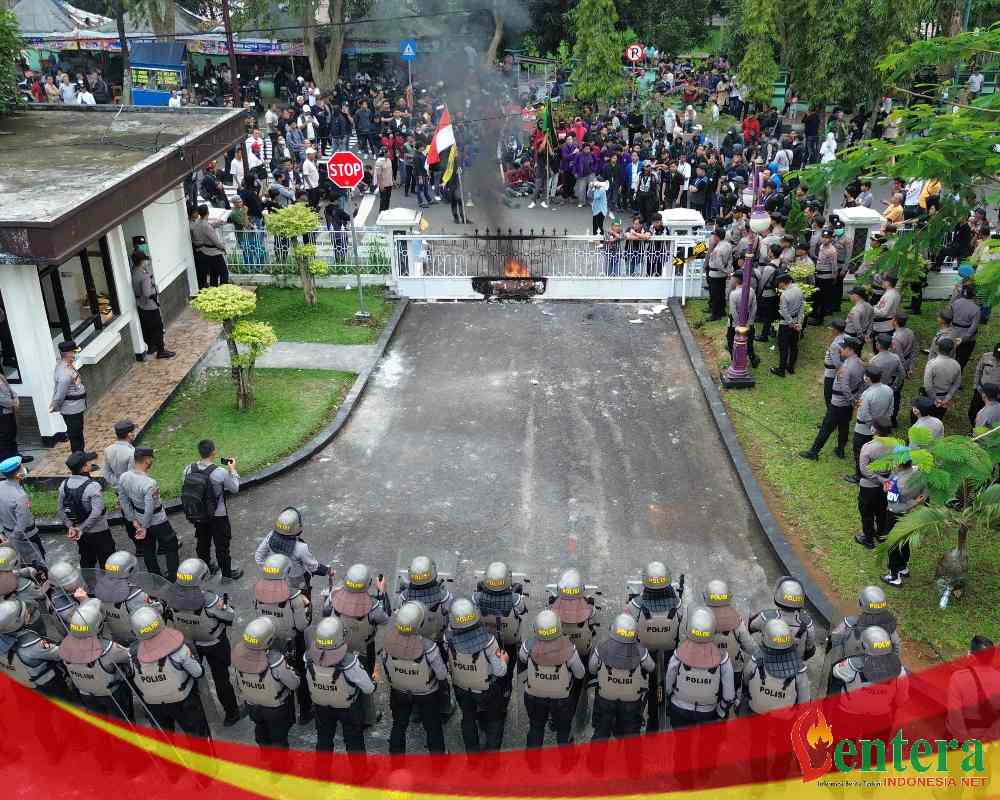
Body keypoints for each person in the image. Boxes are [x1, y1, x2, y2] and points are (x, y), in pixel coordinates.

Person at [169, 558, 242, 727]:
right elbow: (229, 615)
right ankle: (231, 714)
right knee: (221, 679)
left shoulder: (172, 596)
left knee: (193, 679)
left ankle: (200, 715)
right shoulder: (210, 600)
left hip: (190, 643)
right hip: (214, 643)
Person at [128, 606, 211, 738]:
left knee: (165, 740)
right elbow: (198, 673)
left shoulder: (130, 654)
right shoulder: (179, 650)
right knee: (197, 738)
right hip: (184, 701)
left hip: (153, 704)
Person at [252, 553, 313, 723]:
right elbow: (302, 625)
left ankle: (287, 711)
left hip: (270, 637)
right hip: (292, 639)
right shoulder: (294, 596)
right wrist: (307, 606)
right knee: (299, 671)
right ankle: (305, 711)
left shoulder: (258, 590)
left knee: (279, 672)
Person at [381, 601, 448, 754]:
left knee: (399, 724)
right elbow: (442, 674)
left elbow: (385, 664)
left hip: (399, 691)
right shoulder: (429, 646)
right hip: (427, 693)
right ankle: (438, 761)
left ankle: (396, 760)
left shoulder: (388, 642)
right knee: (432, 726)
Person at [304, 616, 376, 754]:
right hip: (348, 708)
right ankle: (359, 768)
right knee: (354, 742)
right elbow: (368, 688)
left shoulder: (307, 658)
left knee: (324, 740)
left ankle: (323, 767)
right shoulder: (350, 662)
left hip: (321, 705)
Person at [444, 598, 508, 752]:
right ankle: (492, 756)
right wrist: (504, 659)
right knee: (494, 721)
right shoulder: (489, 641)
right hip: (487, 690)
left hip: (462, 688)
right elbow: (500, 672)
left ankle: (472, 754)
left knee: (468, 718)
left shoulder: (448, 639)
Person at [828, 626, 907, 747]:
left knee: (843, 750)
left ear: (864, 646)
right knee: (874, 753)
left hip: (848, 715)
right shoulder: (900, 672)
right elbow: (901, 700)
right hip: (880, 717)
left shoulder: (851, 666)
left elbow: (835, 673)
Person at [519, 609, 586, 748]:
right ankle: (566, 759)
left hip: (533, 696)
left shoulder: (527, 646)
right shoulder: (570, 648)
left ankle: (533, 760)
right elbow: (580, 673)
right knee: (564, 730)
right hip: (562, 700)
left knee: (536, 727)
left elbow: (522, 659)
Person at [57, 599, 133, 720]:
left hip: (85, 694)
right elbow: (130, 657)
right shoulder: (110, 649)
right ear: (99, 626)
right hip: (111, 695)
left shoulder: (64, 647)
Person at [231, 616, 300, 750]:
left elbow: (238, 684)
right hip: (275, 707)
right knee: (279, 739)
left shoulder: (238, 656)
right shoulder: (275, 660)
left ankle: (265, 756)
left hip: (252, 705)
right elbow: (294, 684)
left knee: (261, 729)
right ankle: (279, 763)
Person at [181, 440, 242, 580]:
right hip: (218, 515)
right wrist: (232, 470)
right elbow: (235, 488)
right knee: (222, 545)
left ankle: (206, 568)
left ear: (200, 452)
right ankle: (226, 574)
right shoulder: (220, 472)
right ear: (213, 452)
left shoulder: (188, 469)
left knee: (202, 542)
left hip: (198, 513)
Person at [118, 447, 180, 582]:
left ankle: (156, 578)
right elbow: (150, 508)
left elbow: (123, 500)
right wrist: (144, 528)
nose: (152, 460)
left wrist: (133, 520)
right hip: (157, 521)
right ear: (147, 460)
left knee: (148, 549)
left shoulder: (124, 477)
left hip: (138, 518)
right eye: (151, 458)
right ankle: (173, 578)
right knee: (171, 545)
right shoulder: (149, 483)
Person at [589, 613, 654, 740]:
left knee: (600, 733)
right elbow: (651, 667)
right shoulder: (641, 651)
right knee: (632, 737)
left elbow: (592, 669)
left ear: (613, 629)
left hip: (605, 698)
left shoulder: (601, 647)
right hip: (631, 701)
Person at [801, 337, 864, 461]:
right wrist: (855, 399)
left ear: (850, 349)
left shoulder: (847, 367)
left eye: (843, 348)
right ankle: (840, 450)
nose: (841, 350)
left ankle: (814, 452)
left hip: (838, 403)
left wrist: (852, 400)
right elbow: (861, 383)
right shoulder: (859, 363)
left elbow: (844, 387)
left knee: (826, 427)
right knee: (844, 426)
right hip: (848, 403)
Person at [57, 451, 114, 571]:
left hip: (79, 532)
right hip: (99, 530)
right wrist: (81, 528)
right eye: (88, 462)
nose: (90, 463)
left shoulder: (64, 485)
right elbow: (97, 512)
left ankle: (89, 580)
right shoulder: (93, 486)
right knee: (108, 559)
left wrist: (71, 527)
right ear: (84, 468)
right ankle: (111, 581)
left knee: (86, 558)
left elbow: (60, 509)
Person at [93, 550, 164, 644]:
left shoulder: (101, 590)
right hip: (138, 637)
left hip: (117, 635)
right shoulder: (138, 596)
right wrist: (159, 603)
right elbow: (157, 612)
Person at [0, 599, 66, 695]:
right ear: (16, 623)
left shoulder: (3, 636)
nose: (28, 611)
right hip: (46, 683)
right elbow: (59, 653)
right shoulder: (31, 643)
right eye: (25, 613)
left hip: (20, 681)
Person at [881, 452, 928, 586]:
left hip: (896, 514)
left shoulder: (899, 483)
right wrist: (917, 502)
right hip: (910, 514)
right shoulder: (919, 472)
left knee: (893, 543)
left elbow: (894, 505)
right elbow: (925, 493)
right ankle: (903, 567)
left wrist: (912, 503)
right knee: (905, 541)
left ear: (899, 463)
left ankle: (894, 576)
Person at [254, 507, 331, 588]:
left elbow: (259, 556)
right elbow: (313, 567)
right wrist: (327, 570)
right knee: (303, 594)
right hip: (298, 579)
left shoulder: (270, 536)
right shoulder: (301, 547)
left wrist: (273, 570)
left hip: (278, 578)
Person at [749, 576, 817, 662]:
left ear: (779, 596)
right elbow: (810, 650)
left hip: (768, 662)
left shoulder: (765, 617)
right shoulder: (807, 623)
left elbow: (750, 628)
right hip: (795, 664)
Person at [947, 635, 1000, 743]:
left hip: (961, 739)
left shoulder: (958, 677)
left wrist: (965, 740)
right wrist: (988, 738)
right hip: (989, 741)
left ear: (971, 655)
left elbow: (954, 714)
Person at [848, 368, 894, 484]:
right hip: (881, 427)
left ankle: (859, 475)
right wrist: (882, 423)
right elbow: (890, 410)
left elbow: (863, 414)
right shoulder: (888, 390)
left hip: (864, 429)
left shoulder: (867, 394)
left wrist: (873, 426)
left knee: (859, 452)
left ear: (867, 378)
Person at [853, 418, 893, 549]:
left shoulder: (868, 447)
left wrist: (879, 479)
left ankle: (868, 538)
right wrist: (887, 479)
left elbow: (864, 470)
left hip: (869, 485)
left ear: (874, 430)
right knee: (882, 510)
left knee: (866, 512)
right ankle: (881, 534)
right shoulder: (895, 446)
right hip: (887, 485)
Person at [0, 456, 43, 569]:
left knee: (20, 561)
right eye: (21, 466)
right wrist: (14, 539)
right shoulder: (20, 496)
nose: (24, 468)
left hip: (8, 532)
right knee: (37, 562)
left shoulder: (1, 486)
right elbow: (22, 524)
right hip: (26, 536)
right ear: (18, 474)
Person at [131, 251, 175, 360]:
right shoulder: (144, 276)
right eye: (145, 260)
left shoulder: (134, 272)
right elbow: (147, 293)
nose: (147, 262)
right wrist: (154, 288)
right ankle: (161, 351)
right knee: (157, 327)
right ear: (142, 261)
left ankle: (151, 347)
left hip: (141, 305)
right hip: (150, 305)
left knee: (147, 327)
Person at [103, 419, 137, 545]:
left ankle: (137, 544)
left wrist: (118, 486)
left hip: (119, 491)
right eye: (133, 431)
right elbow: (132, 477)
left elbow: (106, 473)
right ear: (129, 434)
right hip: (132, 491)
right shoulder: (132, 453)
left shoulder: (108, 450)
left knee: (127, 516)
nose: (134, 433)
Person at [50, 340, 87, 452]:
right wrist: (55, 406)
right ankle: (78, 458)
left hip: (75, 407)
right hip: (71, 409)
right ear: (68, 353)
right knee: (75, 435)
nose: (75, 354)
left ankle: (81, 455)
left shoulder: (66, 365)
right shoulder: (64, 372)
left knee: (78, 433)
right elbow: (60, 393)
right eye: (74, 352)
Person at [771, 272, 803, 377]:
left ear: (782, 283)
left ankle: (781, 370)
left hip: (786, 324)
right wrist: (799, 323)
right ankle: (791, 367)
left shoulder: (784, 295)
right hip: (796, 322)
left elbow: (784, 312)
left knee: (783, 347)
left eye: (778, 283)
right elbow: (801, 308)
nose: (778, 286)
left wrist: (791, 323)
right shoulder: (799, 290)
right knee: (794, 346)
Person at [922, 337, 962, 420]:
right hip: (944, 397)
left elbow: (928, 385)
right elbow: (957, 383)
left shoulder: (932, 363)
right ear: (952, 350)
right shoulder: (956, 365)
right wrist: (948, 397)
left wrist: (935, 398)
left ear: (938, 348)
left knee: (925, 417)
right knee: (938, 418)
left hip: (930, 396)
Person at [726, 271, 760, 368]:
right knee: (749, 341)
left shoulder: (733, 294)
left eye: (732, 278)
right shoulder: (751, 290)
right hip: (748, 319)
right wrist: (750, 322)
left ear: (736, 280)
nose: (731, 280)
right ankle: (752, 358)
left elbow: (733, 312)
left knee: (731, 339)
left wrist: (738, 324)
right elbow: (754, 307)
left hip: (735, 322)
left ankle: (734, 360)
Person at [190, 205, 229, 288]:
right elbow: (215, 241)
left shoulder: (197, 222)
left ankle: (213, 289)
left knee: (214, 272)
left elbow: (207, 225)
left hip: (204, 251)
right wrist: (223, 248)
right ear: (207, 212)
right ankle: (224, 289)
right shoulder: (206, 226)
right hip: (213, 252)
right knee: (224, 272)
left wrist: (217, 223)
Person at [870, 335, 905, 428]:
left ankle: (878, 424)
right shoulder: (895, 357)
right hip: (891, 385)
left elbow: (870, 377)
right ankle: (892, 421)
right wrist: (895, 385)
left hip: (878, 387)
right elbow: (902, 374)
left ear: (878, 345)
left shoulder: (874, 360)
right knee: (894, 403)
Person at [950, 284, 981, 370]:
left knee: (950, 356)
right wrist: (964, 338)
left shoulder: (955, 303)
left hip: (953, 333)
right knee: (962, 360)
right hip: (967, 339)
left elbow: (949, 316)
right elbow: (973, 327)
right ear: (974, 295)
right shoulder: (976, 309)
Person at [706, 228, 733, 321]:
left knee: (715, 295)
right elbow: (730, 259)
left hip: (715, 273)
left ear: (717, 237)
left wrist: (725, 271)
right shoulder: (728, 245)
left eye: (714, 235)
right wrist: (727, 270)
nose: (713, 237)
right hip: (722, 274)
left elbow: (718, 264)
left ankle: (715, 314)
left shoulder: (717, 249)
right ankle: (722, 311)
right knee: (721, 293)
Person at [0, 372, 28, 463]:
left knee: (12, 434)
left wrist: (16, 399)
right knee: (5, 437)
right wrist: (13, 404)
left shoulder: (0, 376)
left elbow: (11, 390)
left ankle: (16, 457)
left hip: (10, 411)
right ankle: (7, 461)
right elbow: (1, 399)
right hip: (2, 413)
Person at [971, 345, 1000, 428]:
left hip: (996, 396)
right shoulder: (986, 357)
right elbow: (978, 370)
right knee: (973, 412)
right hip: (981, 391)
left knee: (991, 417)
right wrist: (976, 386)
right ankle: (974, 428)